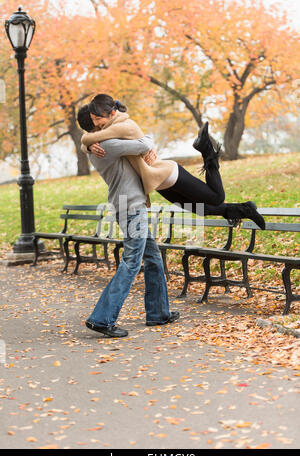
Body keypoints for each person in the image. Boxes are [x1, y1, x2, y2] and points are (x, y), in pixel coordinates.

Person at [78, 94, 265, 229]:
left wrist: (85, 143)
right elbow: (94, 138)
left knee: (216, 198)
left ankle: (208, 152)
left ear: (110, 113)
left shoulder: (120, 126)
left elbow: (92, 138)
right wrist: (87, 145)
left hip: (166, 172)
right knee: (201, 209)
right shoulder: (108, 130)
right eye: (93, 120)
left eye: (97, 119)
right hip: (159, 180)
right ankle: (244, 210)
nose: (96, 124)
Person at [76, 104, 180, 339]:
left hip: (130, 205)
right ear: (95, 124)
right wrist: (150, 139)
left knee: (152, 257)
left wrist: (85, 143)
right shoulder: (106, 145)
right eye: (100, 118)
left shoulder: (95, 145)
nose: (105, 121)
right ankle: (102, 318)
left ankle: (158, 313)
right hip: (131, 207)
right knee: (132, 262)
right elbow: (143, 143)